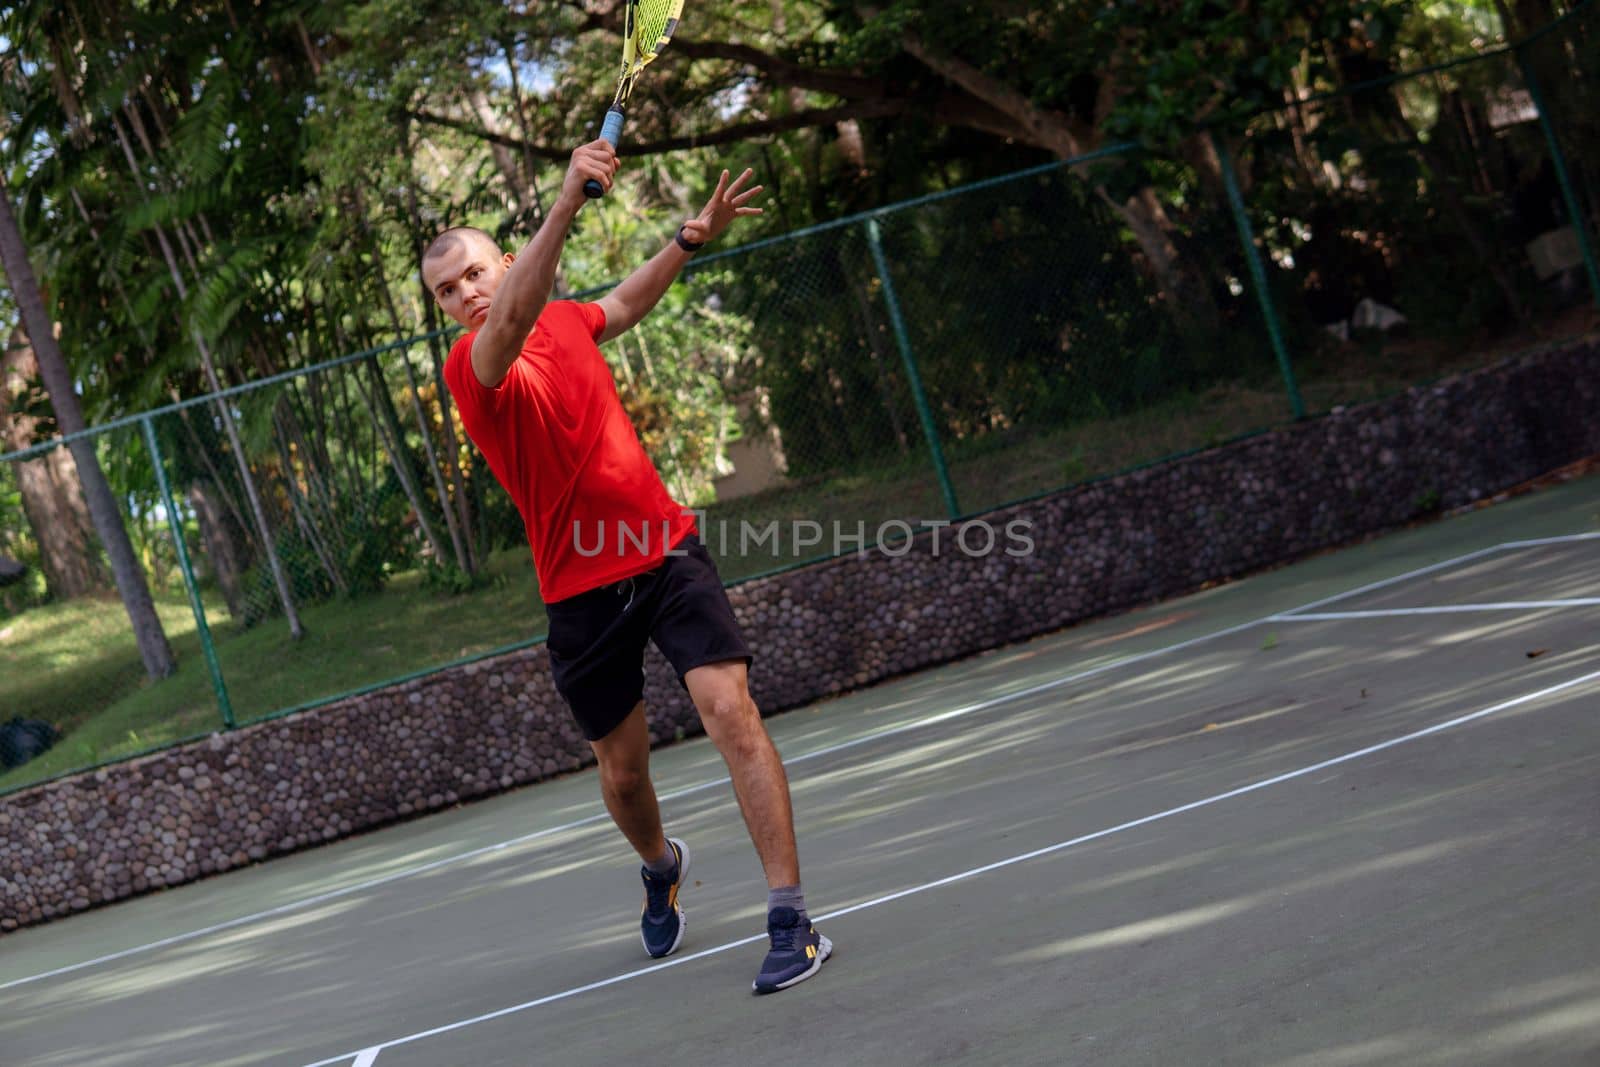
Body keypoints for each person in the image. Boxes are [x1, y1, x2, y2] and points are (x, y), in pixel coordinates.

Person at [422, 140, 831, 995]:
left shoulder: (564, 317)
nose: (464, 294)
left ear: (502, 258)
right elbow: (514, 316)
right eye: (445, 290)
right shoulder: (474, 366)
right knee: (623, 771)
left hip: (665, 549)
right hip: (578, 591)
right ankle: (660, 863)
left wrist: (687, 240)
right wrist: (568, 200)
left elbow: (619, 304)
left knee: (730, 710)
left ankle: (791, 917)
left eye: (472, 273)